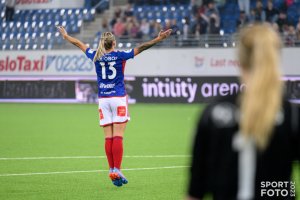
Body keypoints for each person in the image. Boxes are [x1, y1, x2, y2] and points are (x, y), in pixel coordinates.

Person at [187, 24, 300, 199]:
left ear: (239, 60)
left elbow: (195, 193)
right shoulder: (292, 115)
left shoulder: (213, 113)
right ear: (276, 57)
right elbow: (281, 185)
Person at [57, 26, 172, 187]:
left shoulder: (95, 56)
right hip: (118, 98)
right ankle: (117, 169)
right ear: (114, 43)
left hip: (103, 100)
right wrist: (159, 39)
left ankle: (111, 169)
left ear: (103, 44)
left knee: (108, 137)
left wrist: (66, 35)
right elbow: (142, 47)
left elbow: (78, 43)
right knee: (118, 136)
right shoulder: (120, 56)